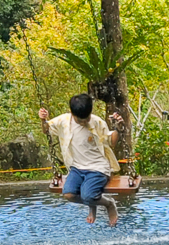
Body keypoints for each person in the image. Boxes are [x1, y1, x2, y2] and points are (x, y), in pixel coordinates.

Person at [39, 94, 123, 226]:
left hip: (98, 168)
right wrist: (43, 120)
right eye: (80, 120)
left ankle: (109, 204)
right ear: (72, 114)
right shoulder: (63, 121)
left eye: (87, 118)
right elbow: (46, 130)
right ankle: (93, 205)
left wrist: (117, 127)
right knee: (68, 194)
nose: (84, 122)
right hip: (76, 168)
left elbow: (111, 141)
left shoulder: (96, 122)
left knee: (88, 195)